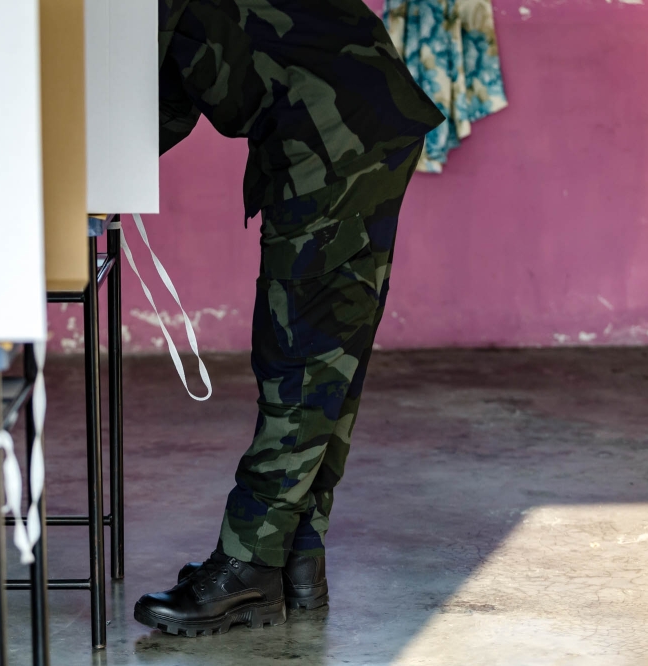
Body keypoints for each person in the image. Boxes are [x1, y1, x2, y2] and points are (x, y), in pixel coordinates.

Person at [133, 0, 445, 636]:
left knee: (301, 362)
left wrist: (71, 183)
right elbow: (168, 91)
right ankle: (296, 559)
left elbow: (148, 104)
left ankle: (245, 570)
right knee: (327, 354)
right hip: (356, 123)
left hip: (335, 140)